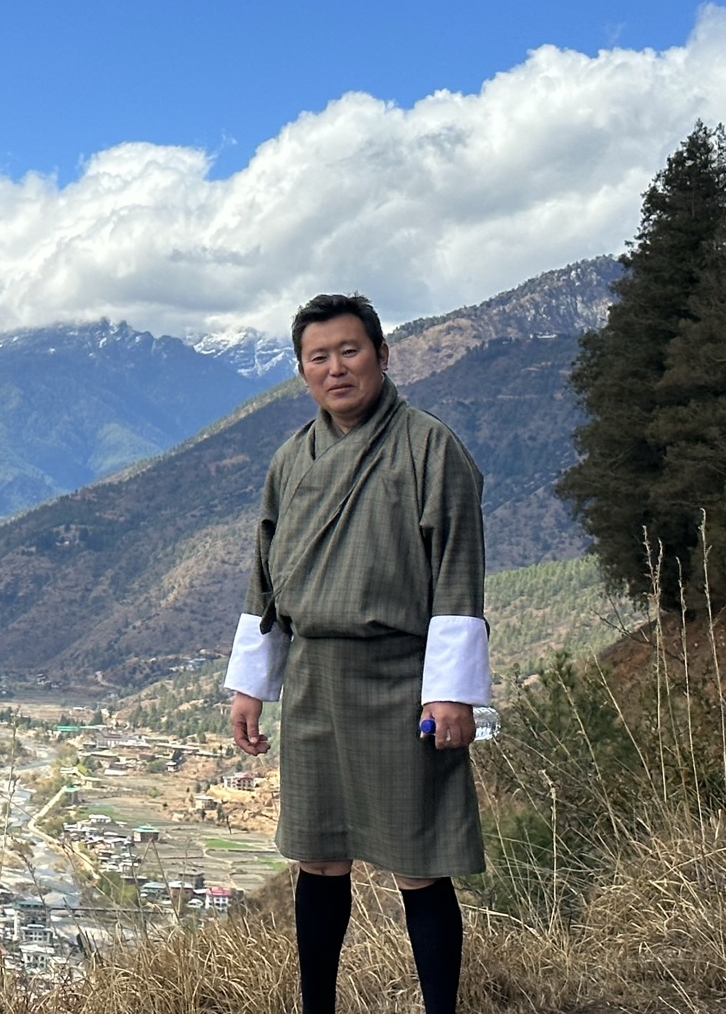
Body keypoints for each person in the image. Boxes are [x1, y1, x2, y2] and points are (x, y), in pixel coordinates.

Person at [224, 293, 489, 1014]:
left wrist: (450, 691)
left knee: (419, 863)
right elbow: (265, 577)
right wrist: (252, 685)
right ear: (302, 371)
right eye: (319, 357)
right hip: (314, 679)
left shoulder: (429, 447)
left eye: (350, 351)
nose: (336, 368)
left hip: (401, 677)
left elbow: (458, 570)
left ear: (380, 354)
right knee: (318, 856)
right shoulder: (292, 460)